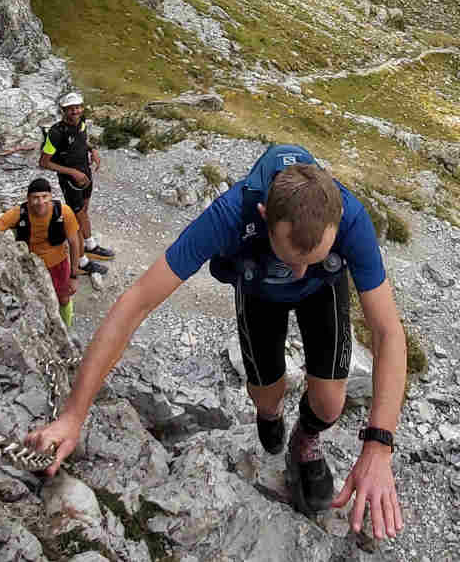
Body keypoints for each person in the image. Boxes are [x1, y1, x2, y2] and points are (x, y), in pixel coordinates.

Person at [26, 144, 407, 541]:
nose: (299, 271)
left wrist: (379, 444)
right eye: (292, 257)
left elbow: (388, 332)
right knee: (266, 398)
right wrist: (72, 417)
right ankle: (271, 414)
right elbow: (135, 304)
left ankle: (305, 438)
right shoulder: (230, 215)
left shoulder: (351, 217)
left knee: (331, 403)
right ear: (264, 217)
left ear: (337, 221)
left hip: (323, 292)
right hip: (260, 291)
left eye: (315, 257)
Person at [40, 91, 111, 277]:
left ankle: (90, 245)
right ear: (64, 110)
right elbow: (44, 162)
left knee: (83, 215)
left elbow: (82, 141)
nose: (76, 111)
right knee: (78, 219)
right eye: (71, 109)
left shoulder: (82, 122)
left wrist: (92, 150)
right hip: (71, 181)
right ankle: (82, 262)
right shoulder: (56, 133)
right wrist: (72, 172)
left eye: (78, 107)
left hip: (85, 175)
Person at [0, 178, 82, 328]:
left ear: (51, 197)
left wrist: (74, 276)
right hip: (30, 267)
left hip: (58, 264)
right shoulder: (19, 213)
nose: (40, 202)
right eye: (35, 198)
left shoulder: (63, 212)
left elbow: (75, 244)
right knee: (36, 302)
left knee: (64, 298)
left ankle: (65, 327)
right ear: (28, 199)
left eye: (44, 197)